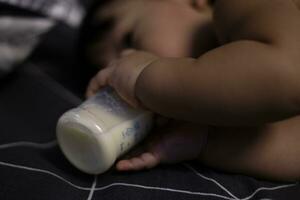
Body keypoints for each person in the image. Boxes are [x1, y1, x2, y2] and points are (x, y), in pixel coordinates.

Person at [83, 0, 300, 181]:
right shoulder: (257, 104)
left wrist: (142, 76)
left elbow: (289, 73)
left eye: (130, 40)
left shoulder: (238, 6)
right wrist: (207, 140)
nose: (126, 63)